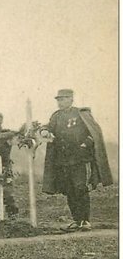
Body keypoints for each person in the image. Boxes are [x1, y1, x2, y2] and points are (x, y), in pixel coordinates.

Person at [41, 89, 113, 231]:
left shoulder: (81, 114)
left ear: (71, 99)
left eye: (63, 99)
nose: (60, 102)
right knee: (69, 189)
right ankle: (76, 220)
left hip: (80, 159)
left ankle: (85, 220)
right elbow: (48, 127)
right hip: (62, 160)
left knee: (80, 188)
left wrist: (85, 144)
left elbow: (94, 133)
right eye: (58, 100)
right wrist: (44, 130)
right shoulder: (56, 116)